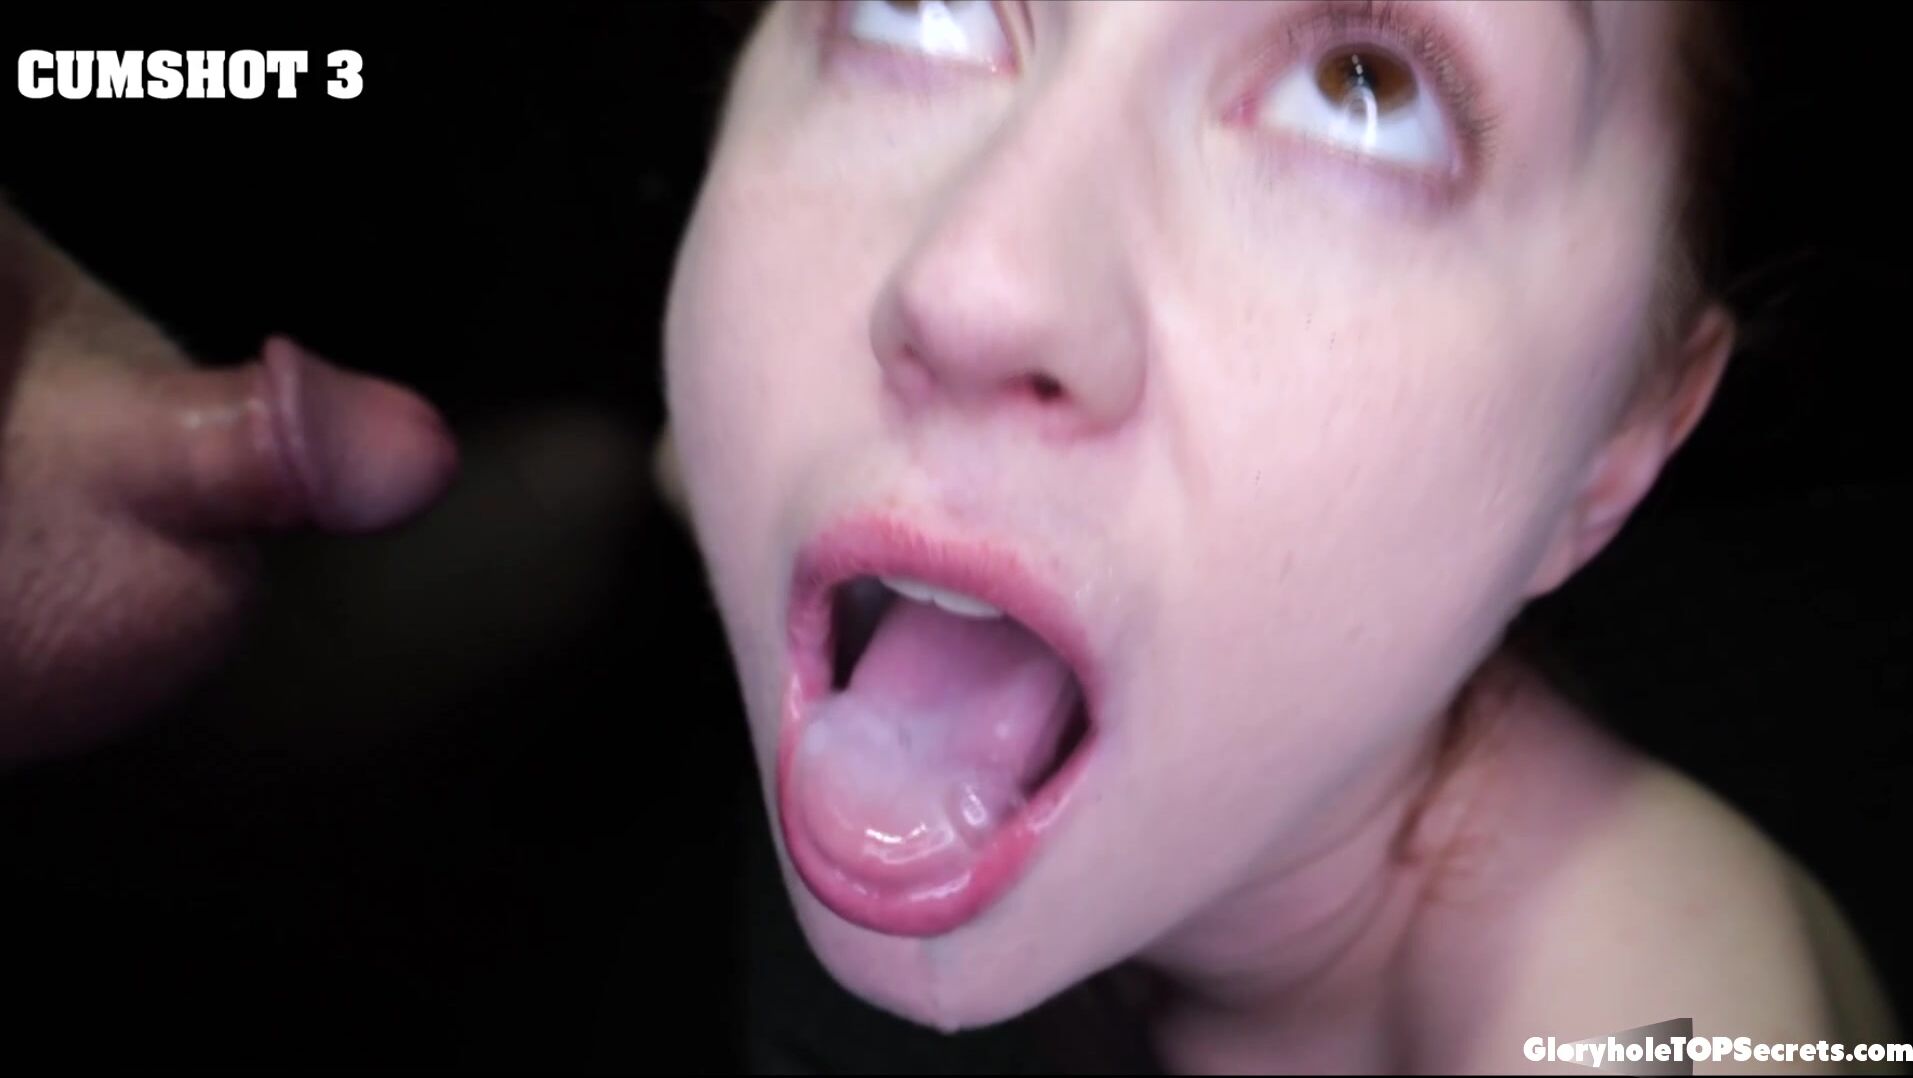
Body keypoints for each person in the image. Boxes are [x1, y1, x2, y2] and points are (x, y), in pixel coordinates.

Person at [653, 1, 1901, 1071]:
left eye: (1365, 90)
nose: (973, 288)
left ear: (1614, 450)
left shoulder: (1666, 1016)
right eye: (918, 4)